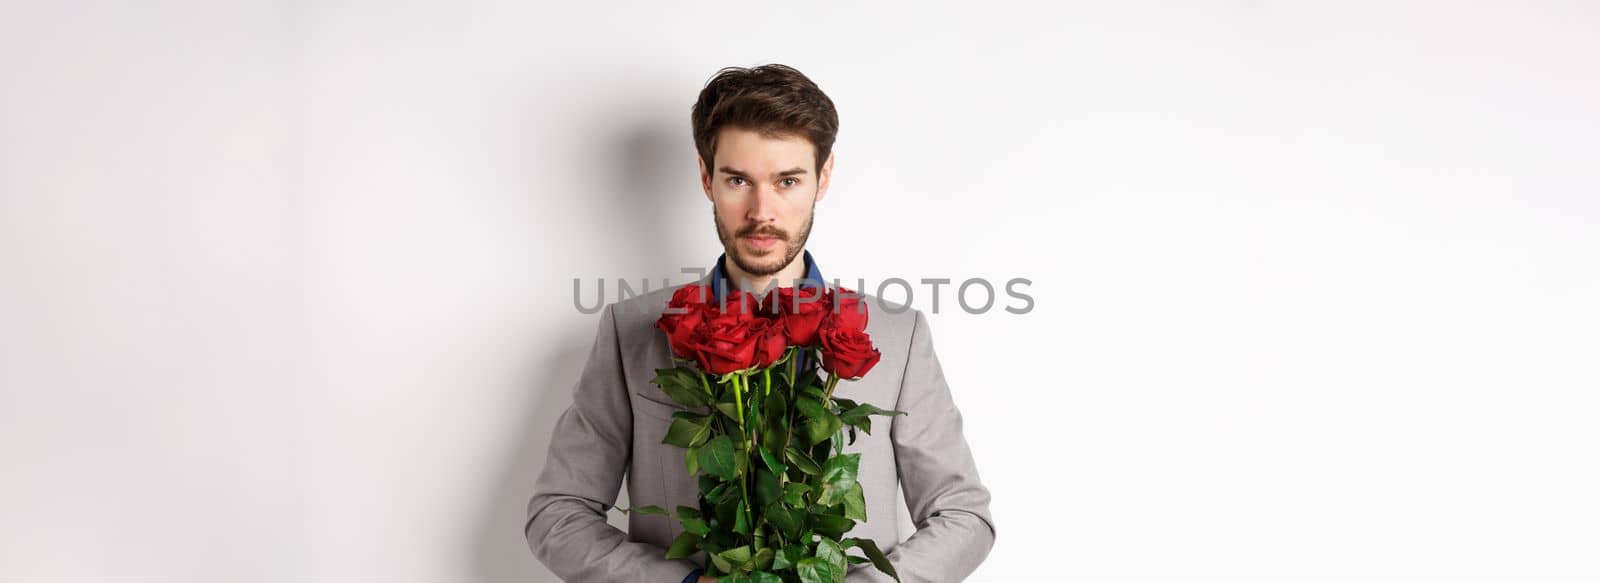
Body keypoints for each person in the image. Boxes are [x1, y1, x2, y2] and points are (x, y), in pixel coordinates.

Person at [524, 64, 995, 582]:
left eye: (787, 181)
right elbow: (558, 513)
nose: (761, 210)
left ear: (824, 177)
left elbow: (962, 515)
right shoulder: (632, 329)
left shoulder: (898, 335)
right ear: (706, 177)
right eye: (738, 180)